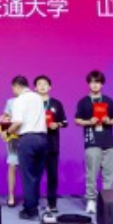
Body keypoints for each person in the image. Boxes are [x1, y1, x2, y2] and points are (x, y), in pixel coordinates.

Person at [74, 70, 113, 214]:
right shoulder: (83, 102)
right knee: (92, 173)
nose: (95, 85)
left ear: (102, 84)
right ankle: (91, 200)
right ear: (88, 84)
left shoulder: (108, 101)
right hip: (92, 141)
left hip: (109, 141)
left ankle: (107, 201)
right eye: (92, 82)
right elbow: (77, 120)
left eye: (98, 82)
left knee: (109, 174)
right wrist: (89, 121)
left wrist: (108, 120)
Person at [6, 76, 49, 221]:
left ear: (16, 86)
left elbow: (18, 122)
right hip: (43, 139)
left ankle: (30, 210)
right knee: (36, 175)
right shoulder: (38, 97)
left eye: (13, 88)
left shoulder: (19, 100)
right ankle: (33, 204)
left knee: (27, 176)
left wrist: (8, 131)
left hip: (27, 139)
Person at [35, 75, 68, 216]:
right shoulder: (32, 103)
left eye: (45, 84)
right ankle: (34, 202)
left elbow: (65, 122)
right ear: (35, 88)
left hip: (52, 144)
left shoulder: (56, 104)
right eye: (39, 84)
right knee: (35, 176)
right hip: (36, 145)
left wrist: (57, 124)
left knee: (52, 176)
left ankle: (52, 203)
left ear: (50, 87)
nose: (42, 86)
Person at [0, 88, 22, 207]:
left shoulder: (32, 101)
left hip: (28, 136)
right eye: (16, 87)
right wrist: (3, 120)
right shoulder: (11, 102)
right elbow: (5, 118)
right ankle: (11, 196)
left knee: (28, 168)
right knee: (12, 166)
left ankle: (30, 196)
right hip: (13, 137)